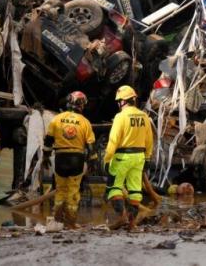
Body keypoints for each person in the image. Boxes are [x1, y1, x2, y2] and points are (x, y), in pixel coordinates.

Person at [43, 91, 97, 228]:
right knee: (73, 190)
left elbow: (48, 141)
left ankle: (57, 220)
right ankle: (70, 222)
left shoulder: (57, 119)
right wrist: (93, 162)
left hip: (60, 158)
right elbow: (91, 147)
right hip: (76, 159)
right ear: (82, 105)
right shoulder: (85, 122)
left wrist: (45, 157)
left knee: (60, 189)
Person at [104, 85, 153, 230]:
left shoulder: (120, 117)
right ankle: (132, 224)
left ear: (123, 101)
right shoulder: (144, 117)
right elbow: (149, 140)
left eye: (119, 101)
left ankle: (122, 218)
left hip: (122, 157)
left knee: (114, 188)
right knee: (135, 191)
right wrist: (148, 158)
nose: (119, 104)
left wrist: (107, 159)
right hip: (139, 157)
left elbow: (114, 140)